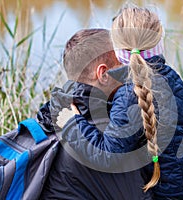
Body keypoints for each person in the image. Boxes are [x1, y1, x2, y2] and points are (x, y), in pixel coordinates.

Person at [59, 6, 183, 200]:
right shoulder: (171, 76)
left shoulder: (129, 94)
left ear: (116, 49)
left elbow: (108, 155)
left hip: (163, 191)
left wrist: (73, 122)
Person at [39, 29, 152, 199]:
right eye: (121, 62)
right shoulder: (116, 133)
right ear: (103, 74)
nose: (129, 68)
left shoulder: (53, 114)